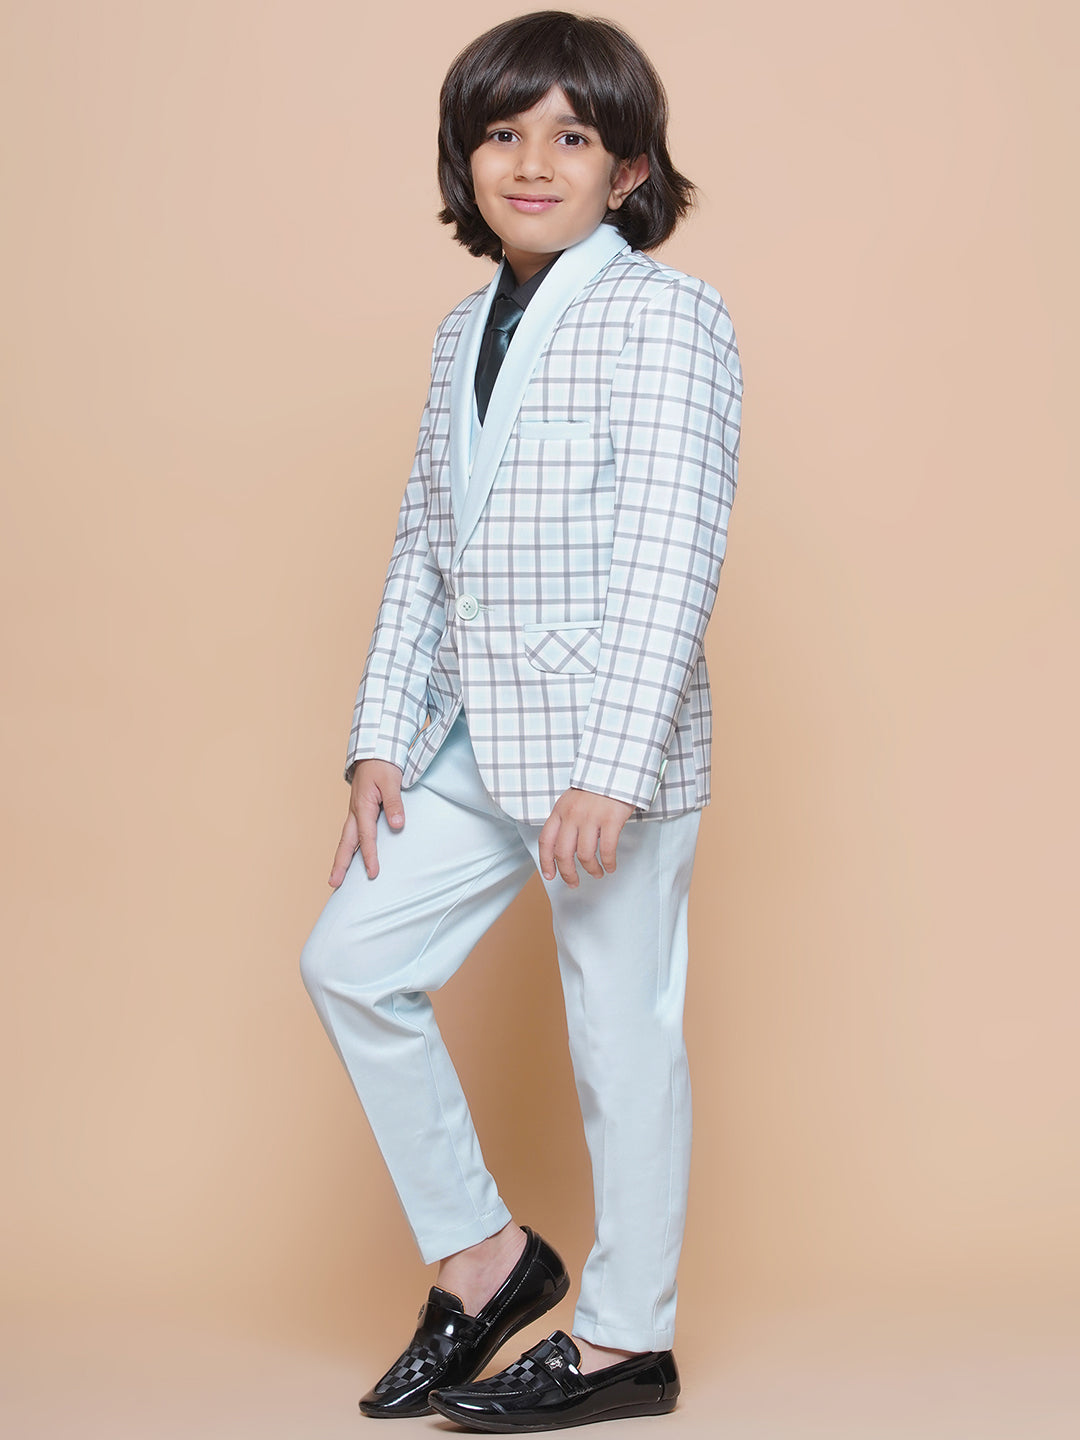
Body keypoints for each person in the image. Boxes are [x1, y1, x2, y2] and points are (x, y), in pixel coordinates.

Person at [300, 10, 742, 1430]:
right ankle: (488, 1260)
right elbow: (424, 547)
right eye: (502, 133)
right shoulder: (460, 332)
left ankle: (625, 1342)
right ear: (466, 159)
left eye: (571, 136)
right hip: (471, 739)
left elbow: (673, 554)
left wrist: (614, 768)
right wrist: (379, 738)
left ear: (629, 170)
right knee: (352, 963)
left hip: (610, 752)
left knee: (622, 1041)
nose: (532, 161)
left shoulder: (668, 315)